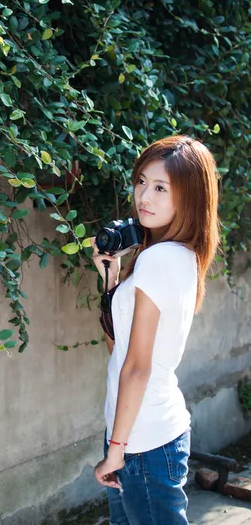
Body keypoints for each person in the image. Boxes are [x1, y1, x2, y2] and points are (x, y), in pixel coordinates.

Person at [90, 135, 220, 525]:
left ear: (189, 199)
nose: (144, 196)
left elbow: (138, 367)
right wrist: (111, 281)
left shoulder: (159, 259)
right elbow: (120, 346)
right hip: (139, 433)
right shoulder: (176, 255)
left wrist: (116, 449)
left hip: (140, 441)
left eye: (161, 187)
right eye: (141, 182)